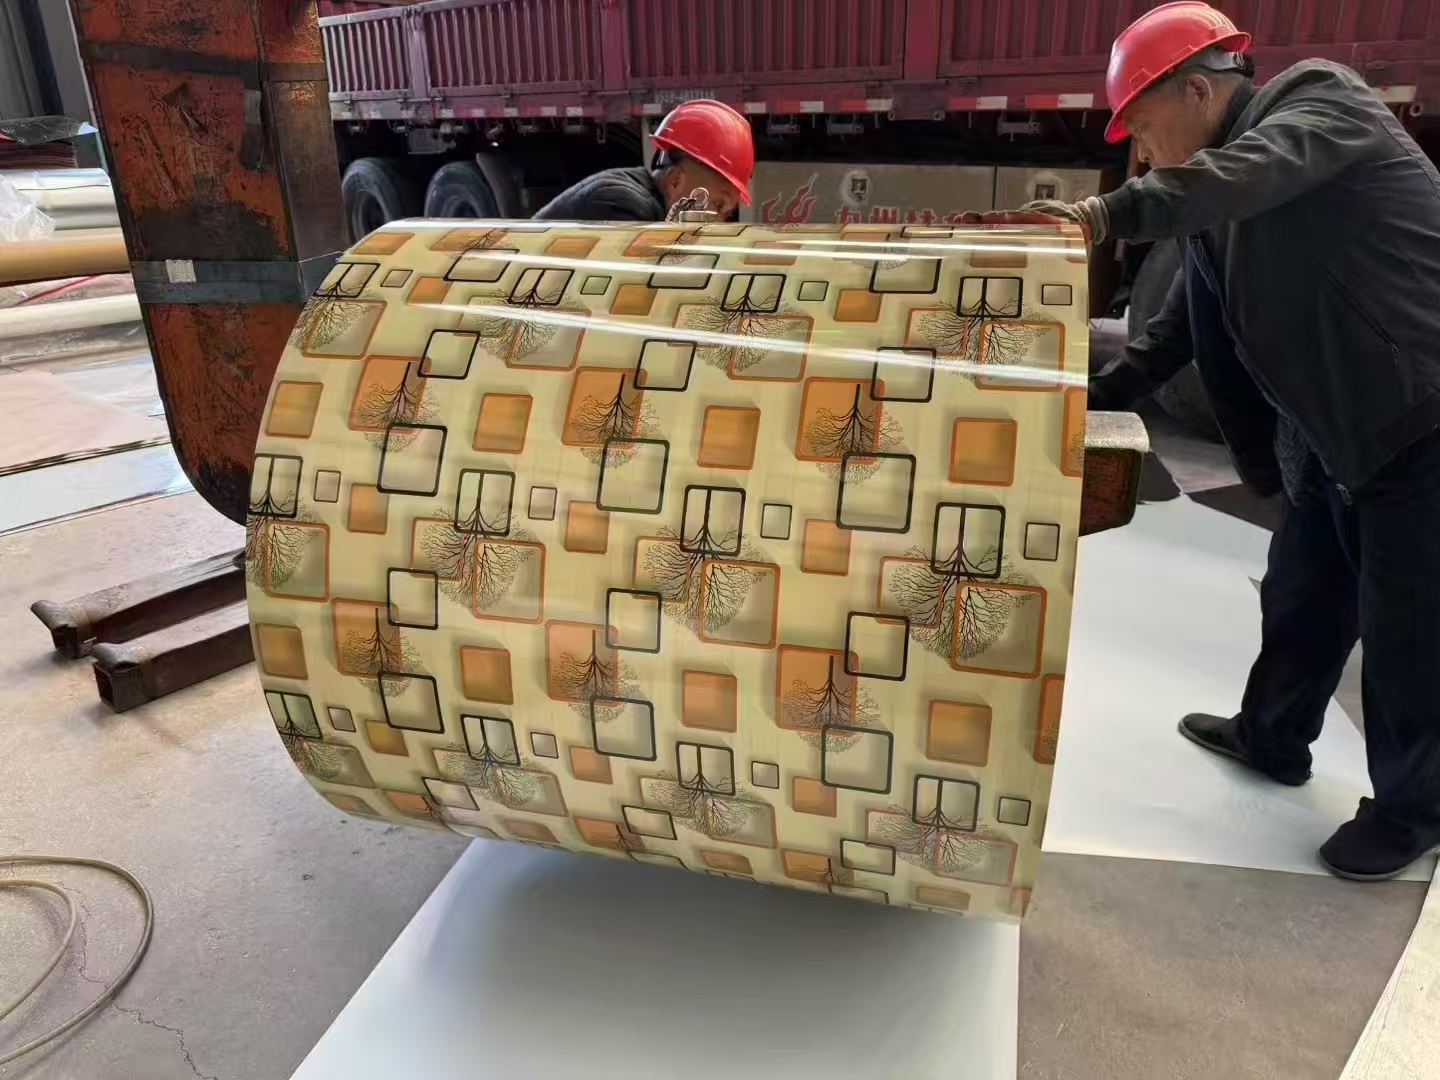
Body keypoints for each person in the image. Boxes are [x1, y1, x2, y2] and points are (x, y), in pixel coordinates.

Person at [1021, 0, 1440, 880]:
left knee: (1409, 628)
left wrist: (1101, 216)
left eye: (1142, 128)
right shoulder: (1219, 199)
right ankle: (1272, 737)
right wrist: (1100, 394)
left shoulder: (1321, 105)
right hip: (1335, 428)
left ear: (1199, 91)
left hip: (1419, 416)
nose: (1140, 155)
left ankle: (1412, 812)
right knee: (1303, 592)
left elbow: (1242, 175)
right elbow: (1182, 323)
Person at [534, 98, 753, 221]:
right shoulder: (624, 207)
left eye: (726, 214)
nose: (718, 223)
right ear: (675, 182)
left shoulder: (642, 200)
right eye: (718, 205)